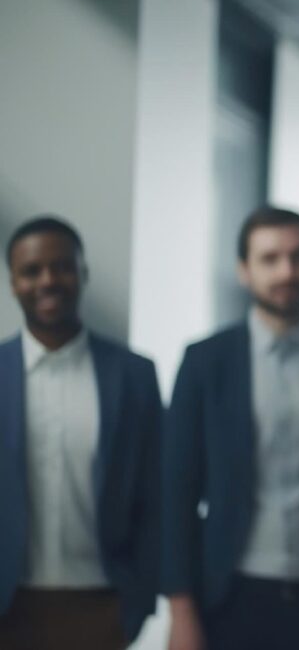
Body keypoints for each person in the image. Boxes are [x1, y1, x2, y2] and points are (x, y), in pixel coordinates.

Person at [162, 207, 299, 650]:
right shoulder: (205, 361)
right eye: (270, 259)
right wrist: (181, 611)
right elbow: (176, 491)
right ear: (244, 270)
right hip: (230, 592)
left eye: (298, 256)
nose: (286, 271)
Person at [0, 217, 161, 649]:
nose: (48, 280)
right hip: (8, 609)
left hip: (103, 609)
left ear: (83, 273)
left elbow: (156, 495)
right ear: (13, 282)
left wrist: (139, 600)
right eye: (32, 271)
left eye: (62, 267)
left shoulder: (134, 376)